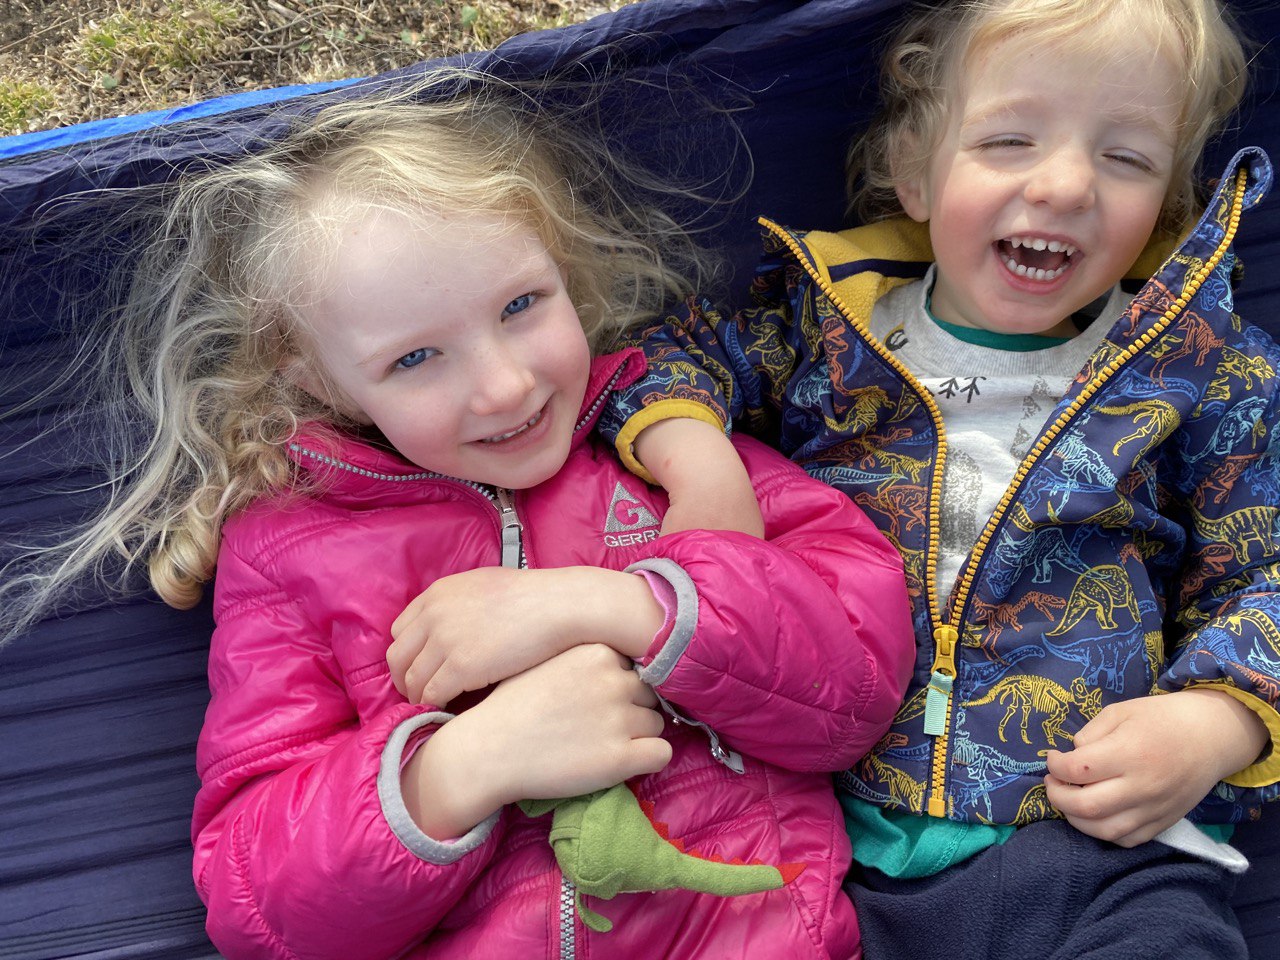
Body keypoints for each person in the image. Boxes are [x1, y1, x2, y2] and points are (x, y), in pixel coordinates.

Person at [2, 73, 917, 959]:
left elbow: (859, 686)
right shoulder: (290, 554)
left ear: (566, 268)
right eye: (415, 359)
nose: (505, 385)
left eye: (522, 305)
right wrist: (462, 769)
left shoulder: (669, 444)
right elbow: (259, 910)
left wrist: (619, 606)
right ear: (314, 377)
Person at [595, 0, 1280, 956]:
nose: (1068, 183)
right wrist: (697, 455)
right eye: (1009, 140)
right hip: (831, 849)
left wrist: (1217, 722)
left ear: (1166, 202)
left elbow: (1266, 570)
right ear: (916, 170)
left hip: (1106, 854)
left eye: (1126, 158)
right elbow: (653, 364)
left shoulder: (1203, 364)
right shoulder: (823, 326)